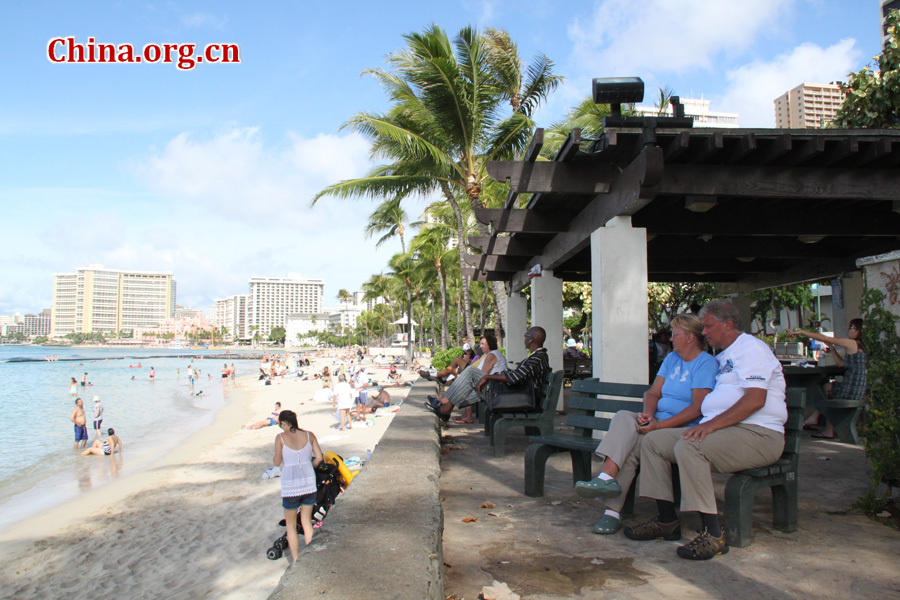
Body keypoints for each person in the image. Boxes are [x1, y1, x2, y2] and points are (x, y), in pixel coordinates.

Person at [626, 300, 787, 560]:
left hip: (758, 434)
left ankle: (713, 535)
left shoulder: (751, 348)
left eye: (709, 326)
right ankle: (666, 520)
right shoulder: (722, 357)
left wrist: (710, 424)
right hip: (728, 431)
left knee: (690, 446)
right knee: (653, 441)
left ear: (729, 324)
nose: (705, 332)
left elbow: (755, 399)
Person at [574, 314, 717, 535]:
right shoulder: (671, 359)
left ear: (690, 338)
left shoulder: (705, 363)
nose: (671, 339)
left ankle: (611, 512)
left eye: (675, 335)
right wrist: (648, 415)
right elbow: (653, 392)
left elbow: (697, 408)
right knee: (623, 416)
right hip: (658, 422)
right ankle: (606, 478)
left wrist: (659, 427)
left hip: (681, 429)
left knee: (633, 448)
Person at [427, 329, 546, 424]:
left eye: (526, 336)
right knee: (474, 380)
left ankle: (445, 405)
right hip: (519, 392)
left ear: (531, 339)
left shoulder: (537, 358)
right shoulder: (537, 356)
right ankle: (446, 407)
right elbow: (518, 375)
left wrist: (488, 377)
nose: (524, 339)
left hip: (520, 395)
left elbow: (514, 377)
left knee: (471, 373)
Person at [788, 319, 866, 439]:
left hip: (850, 389)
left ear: (858, 331)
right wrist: (832, 348)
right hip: (858, 389)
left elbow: (824, 338)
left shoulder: (851, 343)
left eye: (851, 328)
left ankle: (821, 423)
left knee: (825, 389)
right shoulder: (862, 347)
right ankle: (818, 420)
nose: (848, 330)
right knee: (828, 389)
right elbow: (841, 364)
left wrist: (803, 332)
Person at [273, 410, 323, 562]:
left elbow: (276, 462)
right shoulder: (309, 435)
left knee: (291, 525)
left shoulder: (280, 438)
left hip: (290, 486)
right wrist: (310, 466)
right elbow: (319, 458)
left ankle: (296, 560)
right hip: (308, 482)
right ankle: (310, 558)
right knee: (307, 522)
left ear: (283, 423)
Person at [452, 335, 508, 424]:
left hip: (492, 386)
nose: (480, 346)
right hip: (489, 383)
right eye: (480, 344)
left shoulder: (492, 355)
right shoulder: (489, 355)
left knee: (467, 381)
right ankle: (465, 414)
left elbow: (482, 374)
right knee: (466, 380)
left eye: (483, 344)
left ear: (490, 344)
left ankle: (450, 406)